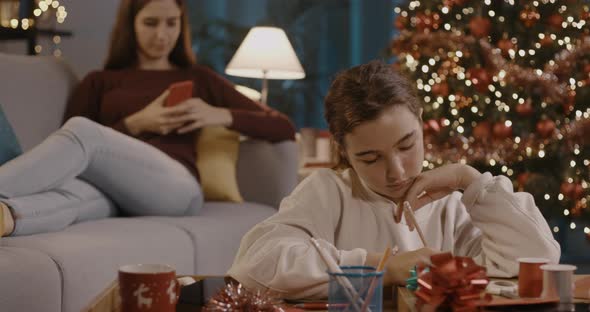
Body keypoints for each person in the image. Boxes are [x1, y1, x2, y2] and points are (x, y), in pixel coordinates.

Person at [227, 61, 560, 299]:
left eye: (407, 145)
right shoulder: (329, 191)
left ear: (420, 121)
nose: (397, 172)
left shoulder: (452, 202)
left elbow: (538, 261)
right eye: (370, 158)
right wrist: (384, 267)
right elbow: (255, 265)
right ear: (343, 149)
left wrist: (469, 178)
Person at [0, 0, 295, 237]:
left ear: (182, 24)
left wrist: (218, 114)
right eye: (151, 23)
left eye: (172, 23)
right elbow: (69, 154)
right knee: (73, 195)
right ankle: (8, 217)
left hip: (176, 189)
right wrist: (137, 123)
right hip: (114, 190)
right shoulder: (100, 81)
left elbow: (282, 126)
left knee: (82, 131)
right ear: (131, 26)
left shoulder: (198, 78)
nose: (162, 35)